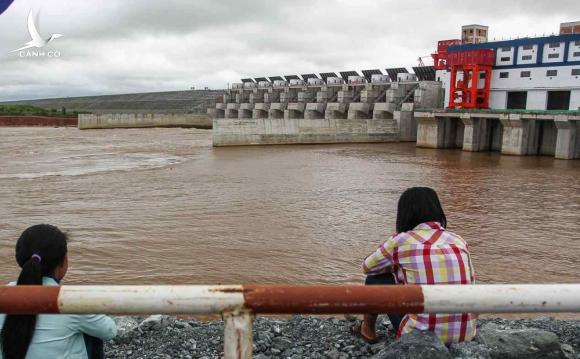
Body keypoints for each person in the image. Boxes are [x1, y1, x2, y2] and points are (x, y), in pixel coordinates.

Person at [352, 187, 476, 345]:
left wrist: (395, 267)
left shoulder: (400, 241)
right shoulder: (458, 240)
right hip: (465, 334)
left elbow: (367, 267)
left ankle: (367, 329)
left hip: (419, 338)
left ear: (404, 214)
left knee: (375, 279)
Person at [0, 224, 117, 359]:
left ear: (20, 259)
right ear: (63, 261)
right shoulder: (71, 300)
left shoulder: (4, 294)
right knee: (91, 332)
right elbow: (110, 331)